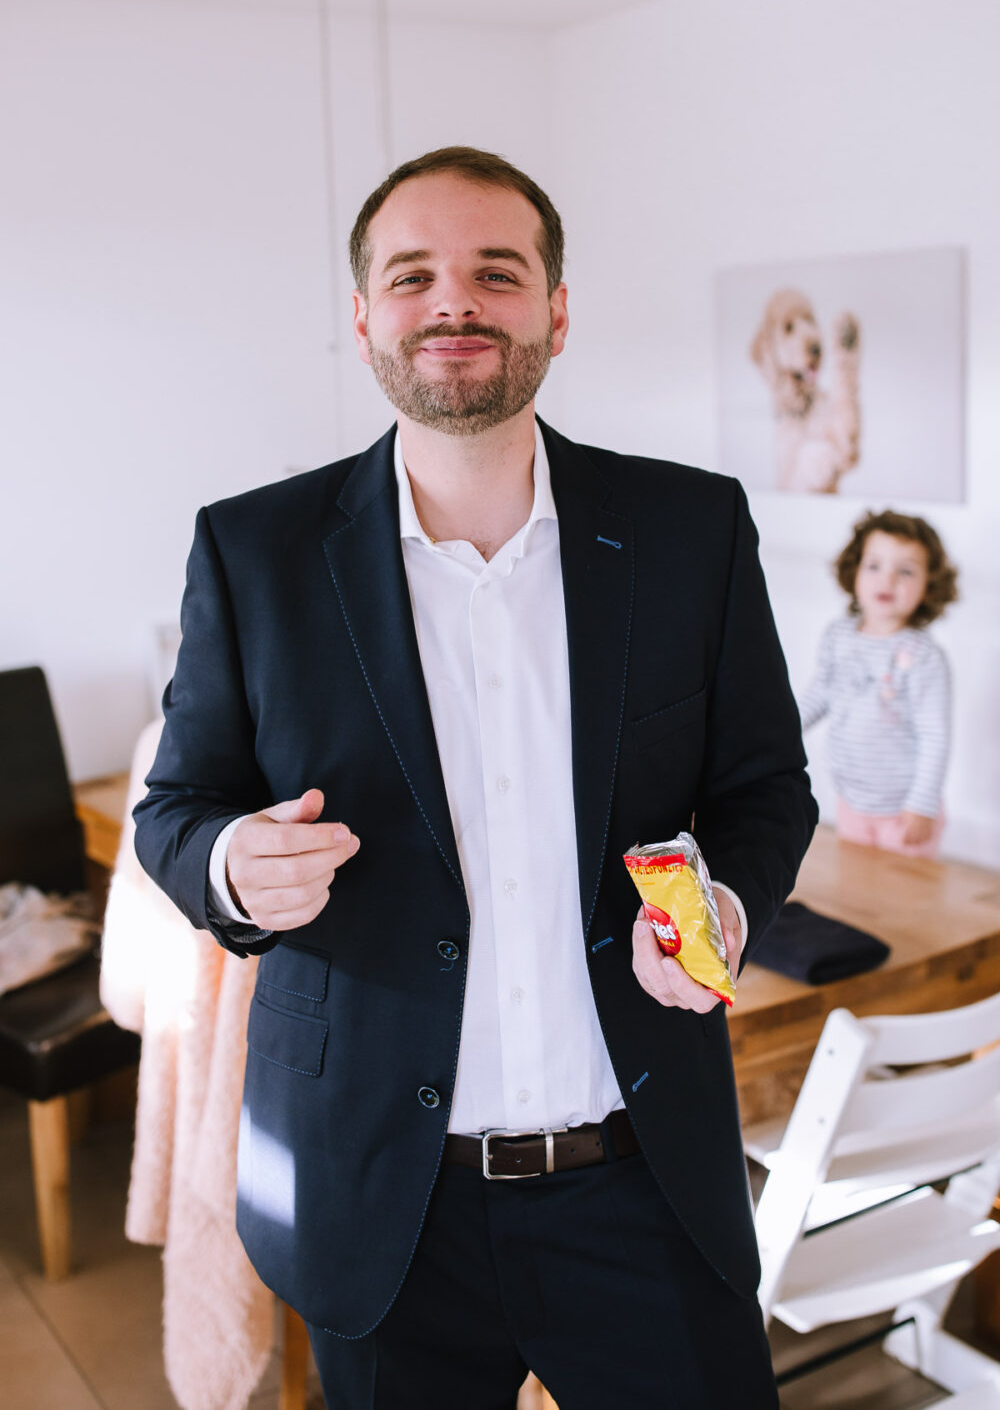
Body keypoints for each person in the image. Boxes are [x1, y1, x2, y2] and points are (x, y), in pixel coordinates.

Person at [134, 146, 816, 1409]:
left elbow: (767, 787)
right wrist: (230, 862)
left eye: (496, 273)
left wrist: (720, 908)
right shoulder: (254, 550)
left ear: (556, 310)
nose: (455, 302)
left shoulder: (691, 528)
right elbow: (173, 812)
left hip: (645, 1184)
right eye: (414, 276)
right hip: (380, 1197)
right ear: (363, 319)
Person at [799, 509, 957, 858]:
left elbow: (935, 734)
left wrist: (922, 803)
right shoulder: (838, 636)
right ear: (854, 571)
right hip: (852, 798)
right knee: (859, 881)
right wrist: (780, 730)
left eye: (906, 570)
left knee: (902, 892)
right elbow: (819, 694)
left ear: (929, 583)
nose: (887, 580)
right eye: (874, 566)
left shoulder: (923, 656)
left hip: (904, 808)